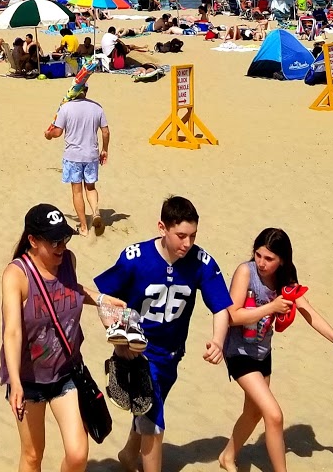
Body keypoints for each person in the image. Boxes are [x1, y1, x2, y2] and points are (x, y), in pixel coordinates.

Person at [94, 196, 233, 472]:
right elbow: (105, 299)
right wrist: (119, 338)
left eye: (193, 236)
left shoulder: (201, 262)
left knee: (147, 408)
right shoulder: (135, 259)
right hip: (139, 355)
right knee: (154, 421)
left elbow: (221, 306)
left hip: (172, 355)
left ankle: (128, 454)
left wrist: (218, 340)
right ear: (162, 228)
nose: (187, 243)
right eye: (181, 235)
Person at [217, 228, 333, 472]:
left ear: (282, 260)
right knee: (274, 415)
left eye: (269, 259)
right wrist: (271, 307)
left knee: (253, 414)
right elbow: (232, 316)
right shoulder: (246, 272)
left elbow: (309, 313)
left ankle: (227, 456)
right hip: (239, 352)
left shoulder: (285, 280)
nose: (261, 263)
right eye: (259, 255)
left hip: (263, 353)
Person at [0, 204, 126, 472]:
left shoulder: (68, 261)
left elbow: (69, 289)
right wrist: (15, 381)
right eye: (55, 241)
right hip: (28, 379)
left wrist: (101, 300)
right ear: (32, 241)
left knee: (78, 454)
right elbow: (11, 332)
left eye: (65, 238)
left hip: (65, 372)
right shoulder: (17, 275)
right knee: (33, 455)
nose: (62, 246)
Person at [46, 82, 110, 236]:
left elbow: (58, 132)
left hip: (73, 155)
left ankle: (83, 227)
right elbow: (105, 132)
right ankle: (95, 212)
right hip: (91, 154)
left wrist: (48, 134)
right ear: (86, 91)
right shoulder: (97, 107)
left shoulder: (66, 108)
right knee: (90, 187)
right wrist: (105, 149)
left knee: (77, 191)